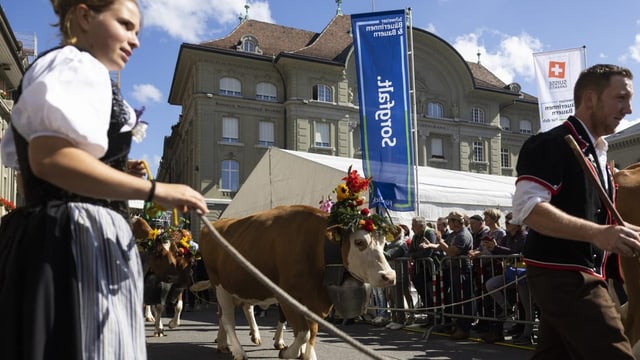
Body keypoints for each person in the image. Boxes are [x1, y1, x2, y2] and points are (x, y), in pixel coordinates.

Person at [0, 1, 209, 358]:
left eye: (137, 31)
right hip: (74, 241)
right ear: (84, 16)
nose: (136, 41)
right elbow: (48, 159)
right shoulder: (75, 65)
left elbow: (30, 178)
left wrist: (113, 173)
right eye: (125, 25)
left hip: (58, 235)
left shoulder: (64, 68)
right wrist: (156, 190)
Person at [512, 64, 640, 359]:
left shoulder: (600, 154)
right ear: (591, 99)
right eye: (621, 98)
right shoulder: (549, 144)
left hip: (578, 275)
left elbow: (595, 216)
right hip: (565, 276)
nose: (628, 109)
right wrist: (598, 233)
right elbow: (528, 209)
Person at [481, 212, 533, 345]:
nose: (507, 223)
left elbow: (519, 254)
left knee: (527, 307)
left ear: (518, 223)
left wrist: (497, 248)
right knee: (491, 284)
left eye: (509, 221)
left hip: (523, 275)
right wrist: (492, 248)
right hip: (510, 273)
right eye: (506, 221)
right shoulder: (507, 237)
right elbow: (501, 255)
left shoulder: (525, 237)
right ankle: (507, 308)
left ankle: (527, 335)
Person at [435, 211, 473, 340]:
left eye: (450, 221)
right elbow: (443, 246)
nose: (448, 224)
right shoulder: (454, 234)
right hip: (454, 269)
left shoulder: (463, 235)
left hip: (462, 269)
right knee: (456, 299)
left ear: (456, 222)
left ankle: (464, 328)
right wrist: (433, 244)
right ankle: (458, 327)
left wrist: (440, 240)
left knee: (463, 300)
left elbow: (451, 251)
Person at [407, 216, 440, 323]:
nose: (412, 228)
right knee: (423, 291)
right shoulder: (416, 236)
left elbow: (427, 252)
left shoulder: (429, 233)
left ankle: (436, 317)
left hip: (432, 269)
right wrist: (414, 255)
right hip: (421, 268)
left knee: (432, 293)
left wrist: (414, 256)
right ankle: (430, 316)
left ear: (421, 226)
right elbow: (410, 251)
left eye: (414, 226)